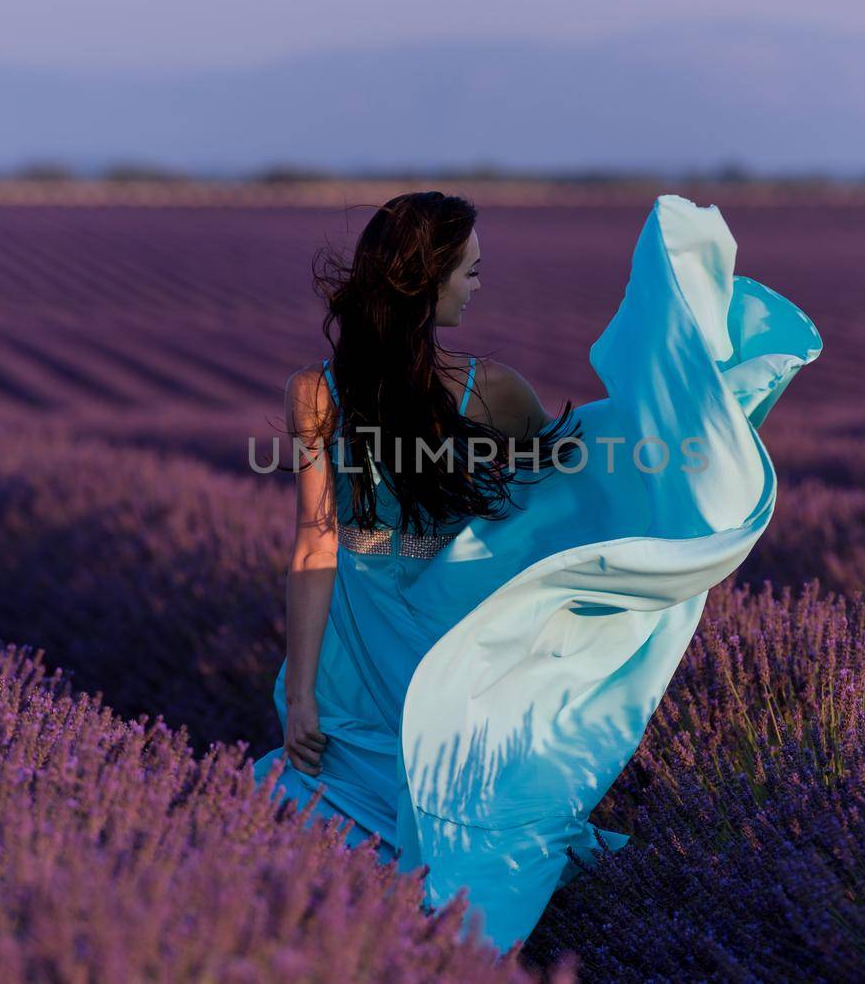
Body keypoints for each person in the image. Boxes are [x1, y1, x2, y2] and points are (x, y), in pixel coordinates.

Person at [251, 190, 823, 952]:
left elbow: (316, 547)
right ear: (429, 281)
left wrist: (299, 695)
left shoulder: (313, 391)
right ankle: (435, 941)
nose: (477, 286)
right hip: (448, 625)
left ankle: (313, 945)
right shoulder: (493, 390)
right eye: (470, 272)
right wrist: (697, 424)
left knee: (327, 801)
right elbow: (569, 486)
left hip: (354, 641)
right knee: (452, 790)